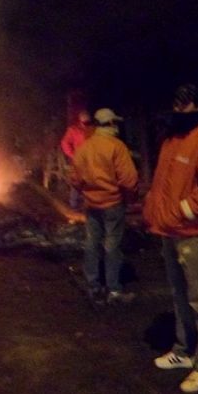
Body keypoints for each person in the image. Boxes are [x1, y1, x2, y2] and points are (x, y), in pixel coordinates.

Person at [143, 84, 198, 393]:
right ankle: (183, 351)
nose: (178, 110)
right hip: (170, 230)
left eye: (185, 105)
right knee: (180, 296)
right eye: (176, 104)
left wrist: (182, 210)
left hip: (192, 234)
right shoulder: (173, 137)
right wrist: (157, 211)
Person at [70, 108, 139, 305]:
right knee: (112, 245)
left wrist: (86, 193)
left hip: (92, 204)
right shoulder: (116, 147)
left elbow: (75, 178)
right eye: (114, 123)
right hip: (113, 203)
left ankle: (92, 285)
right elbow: (129, 179)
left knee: (92, 243)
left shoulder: (84, 148)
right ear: (110, 124)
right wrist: (130, 198)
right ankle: (113, 289)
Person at [60, 109, 92, 209]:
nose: (86, 123)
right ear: (80, 120)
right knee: (77, 183)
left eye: (88, 121)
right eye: (84, 122)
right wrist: (72, 155)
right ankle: (74, 205)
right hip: (78, 160)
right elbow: (65, 143)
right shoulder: (73, 130)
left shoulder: (93, 129)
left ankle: (91, 205)